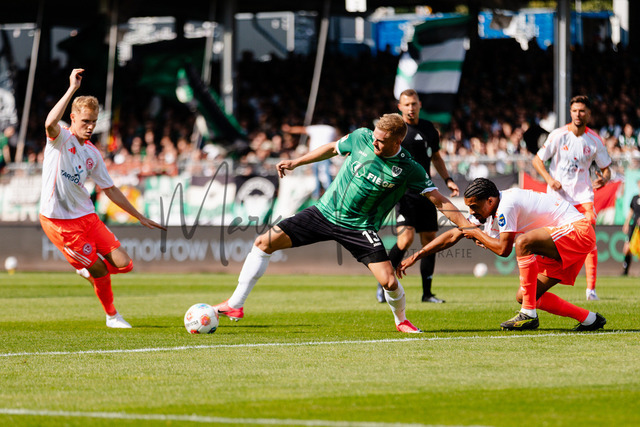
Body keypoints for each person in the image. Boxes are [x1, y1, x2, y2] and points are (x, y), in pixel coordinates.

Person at [214, 113, 472, 333]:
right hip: (324, 212)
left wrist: (467, 226)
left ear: (397, 141)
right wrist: (297, 162)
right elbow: (332, 148)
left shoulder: (409, 168)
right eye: (374, 137)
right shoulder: (361, 137)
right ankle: (235, 304)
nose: (374, 142)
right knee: (263, 242)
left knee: (389, 282)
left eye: (381, 141)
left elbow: (440, 201)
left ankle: (401, 320)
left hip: (360, 228)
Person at [39, 69, 165, 328]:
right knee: (101, 270)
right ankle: (112, 316)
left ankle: (86, 269)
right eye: (85, 121)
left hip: (87, 216)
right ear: (73, 118)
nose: (90, 127)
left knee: (125, 264)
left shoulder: (92, 153)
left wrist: (139, 216)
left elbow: (111, 189)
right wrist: (72, 88)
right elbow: (50, 123)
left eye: (94, 122)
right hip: (60, 223)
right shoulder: (60, 138)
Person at [397, 178, 606, 332]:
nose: (471, 212)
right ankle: (589, 319)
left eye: (474, 207)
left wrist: (477, 233)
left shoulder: (507, 204)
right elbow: (454, 235)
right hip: (560, 240)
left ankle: (528, 314)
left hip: (577, 230)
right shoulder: (490, 209)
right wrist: (417, 255)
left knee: (523, 242)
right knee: (525, 296)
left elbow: (503, 250)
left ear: (490, 201)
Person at [376, 89, 459, 304]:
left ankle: (427, 293)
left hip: (426, 191)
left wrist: (448, 179)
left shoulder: (429, 128)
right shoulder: (395, 131)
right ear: (400, 107)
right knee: (405, 239)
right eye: (407, 104)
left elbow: (436, 157)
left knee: (430, 241)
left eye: (414, 104)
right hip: (404, 193)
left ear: (419, 104)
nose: (411, 108)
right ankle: (384, 283)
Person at [532, 95, 612, 301]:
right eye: (575, 110)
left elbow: (606, 169)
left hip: (583, 196)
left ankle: (591, 289)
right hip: (558, 197)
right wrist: (549, 180)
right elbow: (537, 160)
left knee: (589, 236)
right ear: (570, 112)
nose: (578, 114)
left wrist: (604, 179)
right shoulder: (558, 135)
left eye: (582, 111)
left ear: (589, 114)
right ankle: (538, 279)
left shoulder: (594, 140)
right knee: (547, 238)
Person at [281, 121, 340, 199]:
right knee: (326, 175)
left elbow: (301, 129)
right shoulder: (331, 129)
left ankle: (316, 195)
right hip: (326, 155)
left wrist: (290, 129)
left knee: (317, 176)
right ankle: (329, 194)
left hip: (314, 156)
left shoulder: (315, 128)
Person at [622, 179, 640, 276]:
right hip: (634, 227)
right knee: (626, 249)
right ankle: (625, 271)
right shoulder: (635, 198)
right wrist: (626, 224)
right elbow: (630, 212)